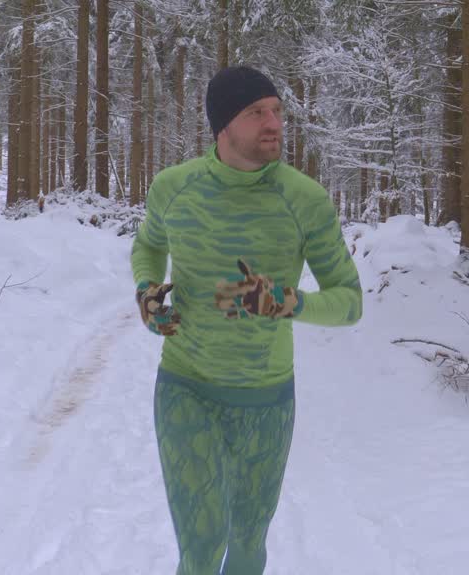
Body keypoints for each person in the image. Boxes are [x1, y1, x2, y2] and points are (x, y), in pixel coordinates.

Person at [130, 65, 363, 574]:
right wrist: (146, 292)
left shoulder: (305, 201)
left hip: (266, 400)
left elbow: (350, 301)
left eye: (277, 111)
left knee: (247, 546)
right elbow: (148, 244)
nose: (273, 122)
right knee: (201, 545)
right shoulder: (174, 188)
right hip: (185, 387)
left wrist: (288, 302)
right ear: (223, 125)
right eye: (257, 112)